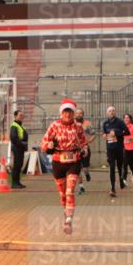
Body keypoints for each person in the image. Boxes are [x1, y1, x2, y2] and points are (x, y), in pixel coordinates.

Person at [41, 98, 89, 234]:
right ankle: (66, 212)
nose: (67, 114)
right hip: (58, 162)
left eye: (70, 112)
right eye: (65, 112)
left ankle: (68, 220)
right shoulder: (54, 126)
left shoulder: (78, 127)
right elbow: (43, 144)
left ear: (73, 113)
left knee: (69, 191)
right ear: (61, 113)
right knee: (62, 194)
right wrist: (49, 145)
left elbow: (84, 142)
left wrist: (84, 149)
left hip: (74, 162)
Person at [102, 105, 128, 197]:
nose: (111, 112)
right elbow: (105, 133)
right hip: (110, 149)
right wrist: (104, 135)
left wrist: (117, 133)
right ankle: (112, 188)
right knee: (112, 168)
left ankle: (121, 180)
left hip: (119, 148)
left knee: (120, 167)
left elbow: (127, 132)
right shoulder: (105, 123)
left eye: (113, 110)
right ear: (107, 113)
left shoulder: (120, 122)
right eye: (110, 111)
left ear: (115, 112)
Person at [75, 108, 96, 194]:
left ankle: (87, 174)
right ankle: (81, 187)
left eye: (80, 113)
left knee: (84, 169)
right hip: (75, 149)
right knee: (77, 169)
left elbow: (94, 134)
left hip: (85, 148)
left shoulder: (87, 124)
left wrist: (88, 142)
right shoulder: (72, 124)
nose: (78, 115)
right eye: (77, 113)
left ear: (83, 115)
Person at [9, 109, 28, 189]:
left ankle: (17, 182)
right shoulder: (14, 126)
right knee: (16, 165)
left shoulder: (19, 126)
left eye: (22, 115)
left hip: (20, 148)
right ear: (15, 116)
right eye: (20, 115)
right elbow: (13, 138)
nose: (21, 117)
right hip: (17, 148)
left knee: (19, 165)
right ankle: (14, 183)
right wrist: (22, 143)